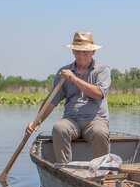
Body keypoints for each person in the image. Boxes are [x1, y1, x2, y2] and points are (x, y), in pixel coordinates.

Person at [27, 31, 111, 164]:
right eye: (77, 51)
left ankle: (102, 171)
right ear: (73, 51)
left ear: (93, 51)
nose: (81, 54)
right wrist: (36, 122)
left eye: (85, 51)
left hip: (95, 120)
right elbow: (51, 101)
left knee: (100, 133)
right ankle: (65, 171)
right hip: (72, 120)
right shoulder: (64, 72)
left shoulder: (102, 69)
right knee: (59, 128)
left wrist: (74, 79)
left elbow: (98, 93)